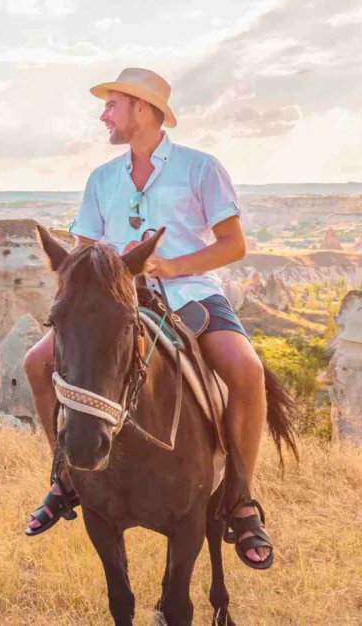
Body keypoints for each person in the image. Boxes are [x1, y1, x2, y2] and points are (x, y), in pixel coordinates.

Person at [22, 68, 275, 569]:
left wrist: (172, 265)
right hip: (118, 304)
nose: (104, 116)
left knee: (246, 370)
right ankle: (65, 476)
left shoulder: (201, 168)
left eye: (111, 105)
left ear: (140, 108)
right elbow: (84, 252)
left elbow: (234, 245)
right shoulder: (102, 178)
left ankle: (241, 498)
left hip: (190, 294)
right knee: (35, 364)